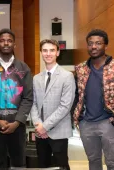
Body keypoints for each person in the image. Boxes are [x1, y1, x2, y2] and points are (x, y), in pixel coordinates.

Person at [73, 29, 114, 170]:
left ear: (106, 45)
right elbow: (76, 95)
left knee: (112, 163)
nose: (94, 46)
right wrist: (77, 118)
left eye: (98, 43)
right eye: (90, 43)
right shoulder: (80, 69)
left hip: (109, 123)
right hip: (86, 124)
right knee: (93, 161)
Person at [0, 28, 33, 169]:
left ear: (14, 44)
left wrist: (17, 122)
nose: (6, 43)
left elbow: (28, 98)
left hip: (18, 126)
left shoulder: (24, 68)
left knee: (19, 164)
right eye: (2, 41)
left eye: (9, 41)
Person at [30, 39, 75, 169]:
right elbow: (33, 104)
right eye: (45, 50)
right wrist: (38, 124)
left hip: (59, 131)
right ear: (41, 53)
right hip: (40, 133)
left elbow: (65, 106)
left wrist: (45, 126)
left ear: (58, 52)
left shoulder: (67, 76)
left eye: (52, 50)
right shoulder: (36, 78)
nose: (48, 53)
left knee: (61, 166)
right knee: (43, 166)